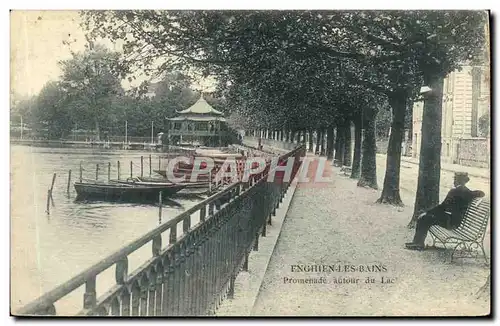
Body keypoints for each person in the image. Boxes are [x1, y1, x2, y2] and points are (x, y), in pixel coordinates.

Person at [405, 172, 485, 251]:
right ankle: (418, 243)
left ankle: (418, 243)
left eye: (455, 179)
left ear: (458, 181)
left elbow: (442, 207)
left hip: (451, 222)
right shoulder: (467, 192)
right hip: (455, 221)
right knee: (425, 218)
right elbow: (481, 193)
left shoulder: (455, 191)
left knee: (425, 218)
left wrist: (428, 212)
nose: (454, 181)